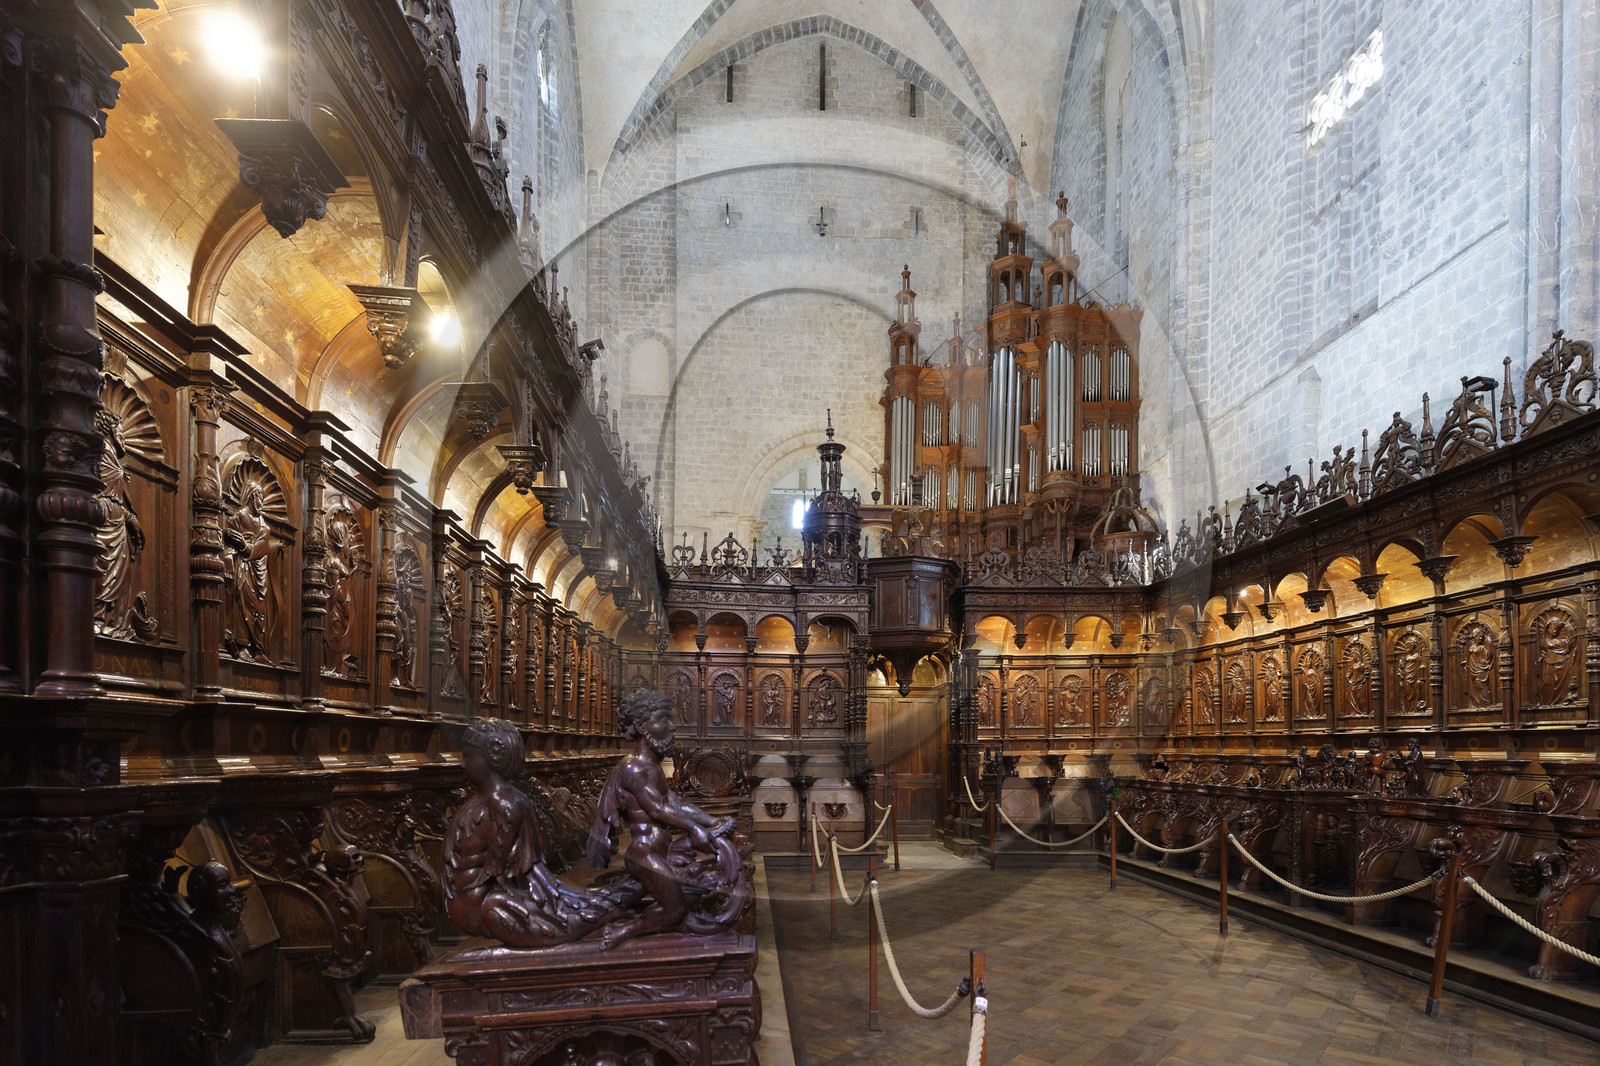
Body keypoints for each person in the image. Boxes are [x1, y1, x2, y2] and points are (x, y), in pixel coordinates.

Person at [443, 719, 635, 948]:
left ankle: (614, 903)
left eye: (468, 757)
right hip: (474, 906)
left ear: (493, 757)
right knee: (575, 906)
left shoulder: (506, 805)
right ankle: (612, 903)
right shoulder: (499, 803)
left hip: (481, 904)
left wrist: (564, 899)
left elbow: (514, 875)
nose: (463, 765)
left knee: (573, 908)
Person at [588, 691, 747, 947]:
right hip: (644, 855)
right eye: (663, 719)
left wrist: (712, 822)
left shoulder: (652, 767)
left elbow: (678, 805)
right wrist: (696, 829)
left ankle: (636, 925)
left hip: (662, 851)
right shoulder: (633, 768)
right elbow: (658, 809)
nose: (672, 726)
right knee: (675, 910)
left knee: (683, 901)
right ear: (640, 726)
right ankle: (623, 932)